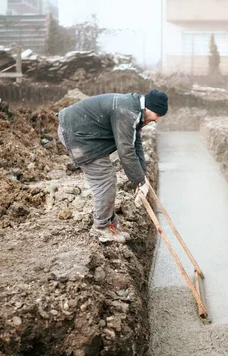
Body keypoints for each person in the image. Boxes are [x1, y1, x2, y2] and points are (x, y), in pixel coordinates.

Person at [57, 89, 169, 243]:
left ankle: (109, 224)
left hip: (88, 134)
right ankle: (101, 228)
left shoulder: (135, 109)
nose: (156, 120)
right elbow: (126, 151)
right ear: (150, 108)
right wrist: (138, 181)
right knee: (105, 179)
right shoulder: (127, 112)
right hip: (76, 134)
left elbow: (135, 143)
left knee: (108, 177)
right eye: (157, 116)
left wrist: (143, 175)